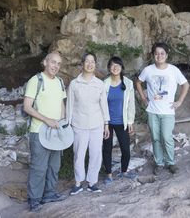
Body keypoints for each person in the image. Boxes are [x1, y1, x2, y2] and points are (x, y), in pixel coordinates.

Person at [136, 42, 190, 175]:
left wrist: (179, 101)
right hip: (152, 111)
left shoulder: (173, 70)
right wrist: (143, 98)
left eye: (162, 53)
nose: (159, 56)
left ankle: (171, 162)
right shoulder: (148, 70)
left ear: (166, 55)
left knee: (166, 137)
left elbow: (186, 85)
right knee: (155, 138)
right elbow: (138, 82)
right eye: (156, 53)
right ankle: (159, 163)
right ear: (153, 55)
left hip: (168, 111)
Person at [23, 52, 67, 212]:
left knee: (54, 166)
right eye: (53, 62)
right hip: (39, 131)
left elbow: (62, 104)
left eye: (59, 64)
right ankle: (34, 199)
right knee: (38, 167)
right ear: (45, 62)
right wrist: (47, 119)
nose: (56, 66)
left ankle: (49, 194)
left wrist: (63, 120)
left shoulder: (60, 82)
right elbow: (27, 107)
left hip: (56, 131)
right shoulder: (36, 80)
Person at [67, 52, 110, 194]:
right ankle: (78, 183)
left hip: (97, 125)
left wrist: (106, 124)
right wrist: (68, 124)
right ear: (82, 64)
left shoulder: (99, 84)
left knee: (96, 153)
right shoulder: (74, 84)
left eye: (92, 62)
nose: (90, 64)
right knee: (79, 154)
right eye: (87, 61)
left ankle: (92, 183)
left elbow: (104, 105)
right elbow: (70, 105)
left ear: (95, 65)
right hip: (79, 124)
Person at [102, 56, 136, 184]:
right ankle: (109, 174)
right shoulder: (104, 83)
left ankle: (124, 171)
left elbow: (131, 104)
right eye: (112, 65)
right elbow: (101, 104)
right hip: (107, 122)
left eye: (118, 65)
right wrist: (103, 122)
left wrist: (130, 122)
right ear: (109, 68)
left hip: (123, 121)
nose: (115, 67)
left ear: (121, 67)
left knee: (125, 149)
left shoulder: (128, 83)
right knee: (107, 148)